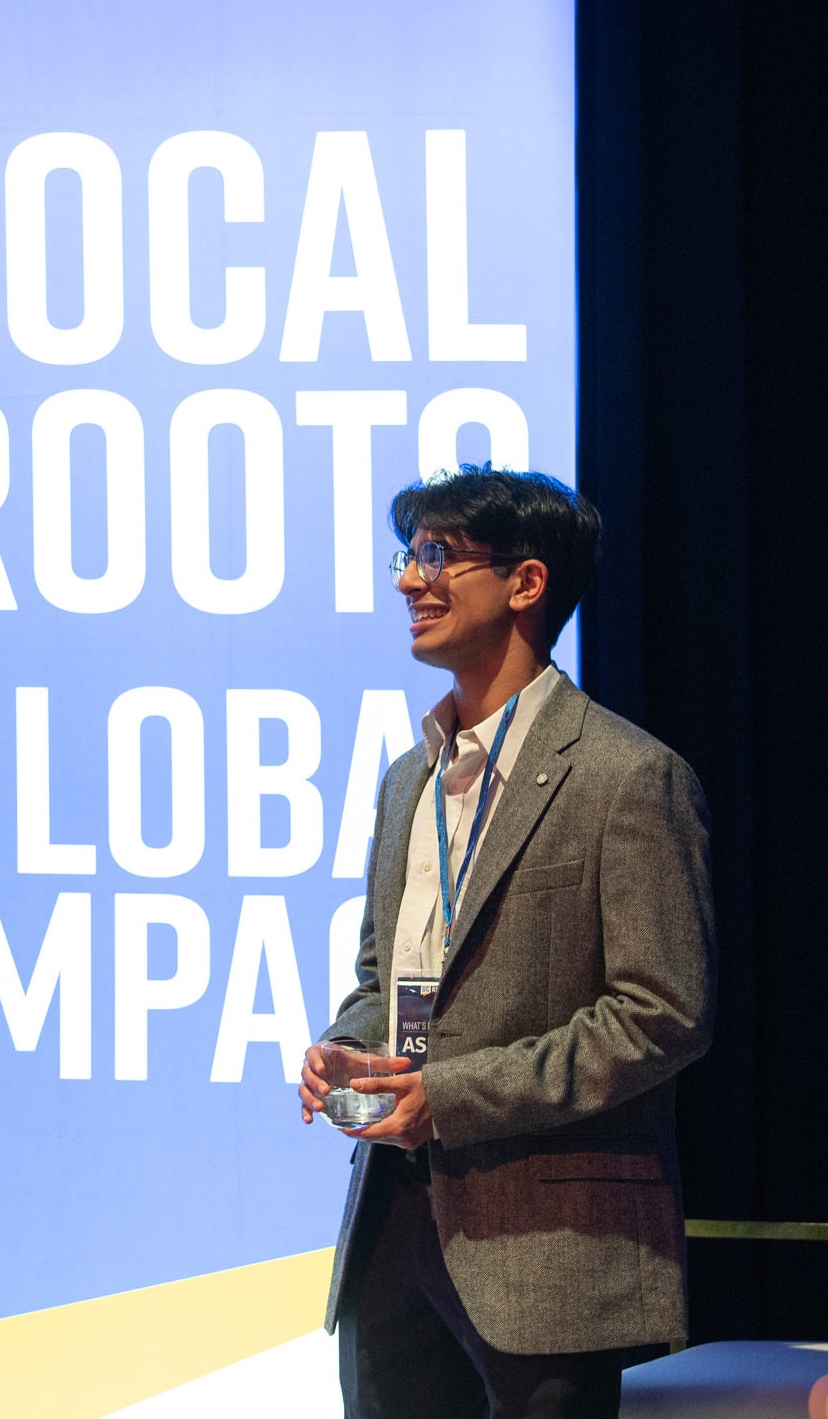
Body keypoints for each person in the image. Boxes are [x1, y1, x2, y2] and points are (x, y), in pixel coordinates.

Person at [299, 466, 713, 1419]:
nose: (410, 579)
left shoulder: (627, 775)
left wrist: (449, 1096)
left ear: (527, 582)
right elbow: (385, 975)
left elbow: (663, 1014)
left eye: (437, 555)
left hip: (547, 1244)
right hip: (394, 1223)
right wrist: (346, 1045)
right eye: (408, 555)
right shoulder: (408, 779)